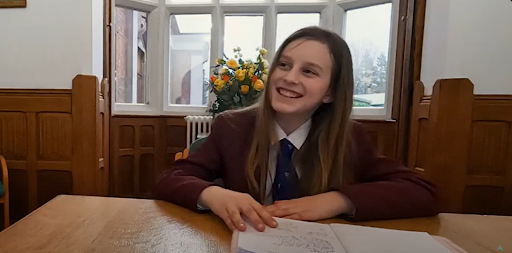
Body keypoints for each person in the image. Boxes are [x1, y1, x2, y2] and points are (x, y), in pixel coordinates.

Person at [154, 26, 439, 233]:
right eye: (284, 65)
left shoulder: (349, 138)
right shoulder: (233, 127)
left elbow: (422, 192)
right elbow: (170, 178)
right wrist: (214, 195)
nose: (289, 78)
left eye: (309, 71)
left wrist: (337, 201)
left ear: (330, 93)